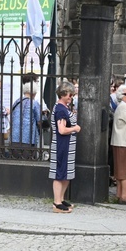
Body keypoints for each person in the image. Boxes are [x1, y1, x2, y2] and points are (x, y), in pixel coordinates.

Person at [49, 81, 81, 213]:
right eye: (69, 94)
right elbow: (61, 130)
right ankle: (57, 202)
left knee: (66, 173)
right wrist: (75, 128)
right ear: (62, 94)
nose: (71, 97)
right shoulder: (61, 110)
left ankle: (61, 199)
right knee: (60, 173)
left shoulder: (64, 108)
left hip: (67, 145)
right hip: (62, 145)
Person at [10, 82, 42, 159]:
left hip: (14, 137)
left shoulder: (17, 102)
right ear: (34, 93)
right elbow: (39, 120)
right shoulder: (34, 103)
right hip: (28, 138)